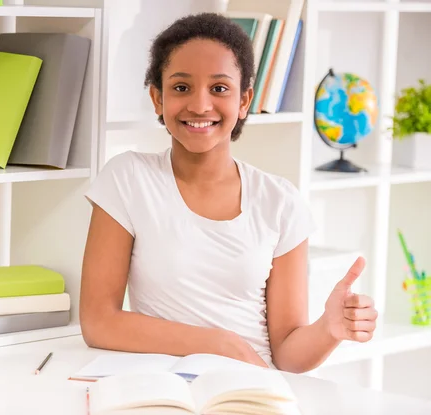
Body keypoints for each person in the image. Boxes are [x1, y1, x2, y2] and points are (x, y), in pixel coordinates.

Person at [79, 12, 378, 373]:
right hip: (164, 389)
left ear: (244, 100)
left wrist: (330, 329)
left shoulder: (280, 202)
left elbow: (287, 355)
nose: (200, 105)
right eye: (181, 87)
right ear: (158, 98)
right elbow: (98, 322)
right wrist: (217, 344)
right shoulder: (127, 179)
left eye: (219, 88)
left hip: (251, 390)